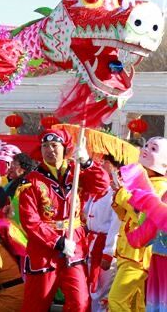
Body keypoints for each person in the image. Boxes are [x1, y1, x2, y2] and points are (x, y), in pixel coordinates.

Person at [18, 128, 109, 312]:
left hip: (74, 247)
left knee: (80, 302)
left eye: (54, 145)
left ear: (64, 147)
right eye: (45, 146)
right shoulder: (32, 181)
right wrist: (57, 241)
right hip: (43, 251)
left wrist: (87, 162)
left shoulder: (77, 173)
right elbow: (30, 220)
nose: (50, 150)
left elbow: (102, 185)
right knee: (36, 303)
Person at [109, 136, 167, 311]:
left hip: (139, 256)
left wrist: (122, 194)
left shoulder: (161, 188)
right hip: (128, 252)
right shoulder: (141, 181)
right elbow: (126, 216)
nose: (146, 149)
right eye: (147, 145)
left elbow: (145, 214)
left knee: (115, 300)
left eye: (154, 149)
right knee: (137, 305)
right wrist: (119, 194)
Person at [83, 154, 121, 312]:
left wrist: (108, 252)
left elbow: (115, 225)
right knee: (91, 288)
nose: (100, 165)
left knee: (102, 291)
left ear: (114, 168)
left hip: (104, 246)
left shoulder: (116, 194)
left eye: (104, 162)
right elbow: (85, 214)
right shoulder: (97, 191)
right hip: (90, 244)